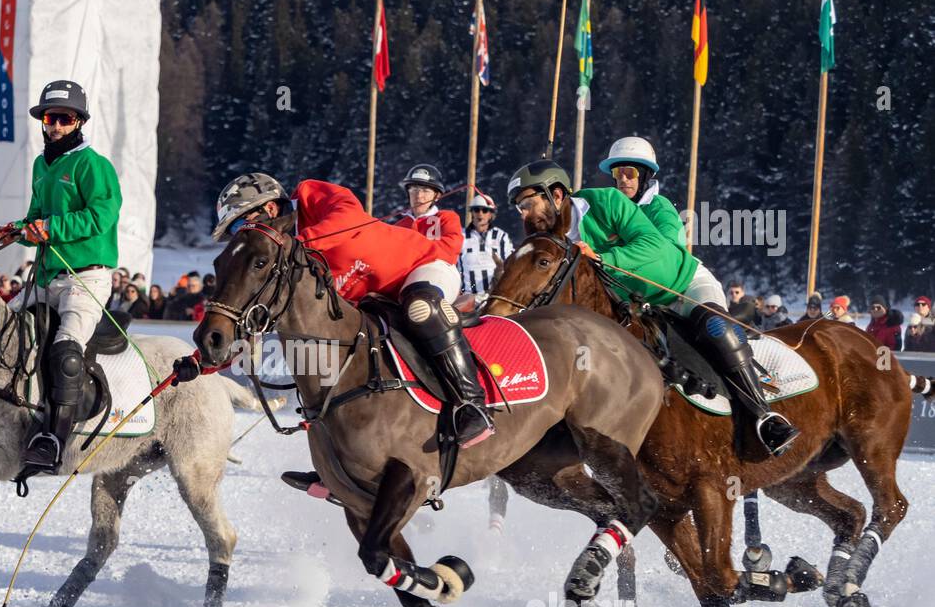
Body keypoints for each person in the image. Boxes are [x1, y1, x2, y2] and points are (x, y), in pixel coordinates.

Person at [507, 159, 799, 456]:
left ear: (556, 195)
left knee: (716, 327)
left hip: (680, 285)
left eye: (528, 203)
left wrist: (603, 258)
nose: (525, 214)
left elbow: (655, 246)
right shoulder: (547, 240)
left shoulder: (605, 201)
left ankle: (764, 416)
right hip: (635, 304)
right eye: (520, 207)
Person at [199, 171, 492, 449]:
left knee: (420, 309)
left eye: (239, 226)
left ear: (271, 210)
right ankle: (339, 461)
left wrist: (299, 244)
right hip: (376, 302)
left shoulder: (309, 195)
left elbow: (347, 216)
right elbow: (247, 318)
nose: (241, 236)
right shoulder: (284, 265)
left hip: (423, 268)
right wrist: (203, 363)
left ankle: (472, 405)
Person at [3, 79, 121, 472]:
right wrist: (17, 228)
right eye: (49, 118)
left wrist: (51, 229)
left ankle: (54, 440)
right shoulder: (42, 164)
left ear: (79, 122)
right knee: (1, 326)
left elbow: (102, 215)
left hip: (84, 278)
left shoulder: (94, 165)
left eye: (64, 119)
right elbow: (37, 216)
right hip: (46, 278)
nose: (54, 126)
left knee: (65, 352)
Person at [599, 136, 685, 248]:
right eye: (618, 173)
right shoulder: (608, 210)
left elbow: (669, 252)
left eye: (630, 173)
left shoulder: (660, 209)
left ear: (645, 176)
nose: (623, 179)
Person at [458, 192, 512, 297]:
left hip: (494, 297)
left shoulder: (501, 236)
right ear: (472, 213)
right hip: (467, 298)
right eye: (476, 210)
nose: (480, 214)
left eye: (485, 210)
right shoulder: (460, 235)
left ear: (491, 214)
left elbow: (510, 265)